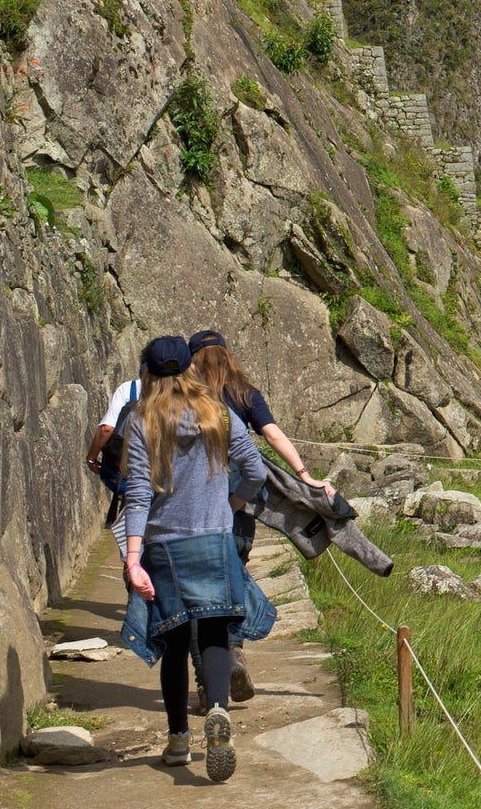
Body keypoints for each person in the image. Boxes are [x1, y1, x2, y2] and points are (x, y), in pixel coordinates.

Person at [120, 340, 272, 782]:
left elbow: (138, 495)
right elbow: (257, 471)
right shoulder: (219, 414)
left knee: (172, 642)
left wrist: (133, 561)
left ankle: (179, 738)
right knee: (214, 631)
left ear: (147, 373)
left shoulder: (141, 421)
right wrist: (231, 504)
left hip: (165, 546)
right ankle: (219, 708)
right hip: (215, 540)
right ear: (189, 371)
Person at [187, 329, 332, 705]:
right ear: (227, 356)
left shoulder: (184, 397)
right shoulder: (244, 394)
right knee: (232, 570)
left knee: (195, 586)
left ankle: (207, 680)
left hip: (192, 501)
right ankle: (233, 648)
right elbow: (272, 434)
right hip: (238, 499)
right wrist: (305, 475)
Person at [85, 337, 190, 562]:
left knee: (135, 516)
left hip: (135, 477)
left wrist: (92, 458)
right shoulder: (198, 402)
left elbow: (106, 429)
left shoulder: (129, 390)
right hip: (177, 487)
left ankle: (133, 569)